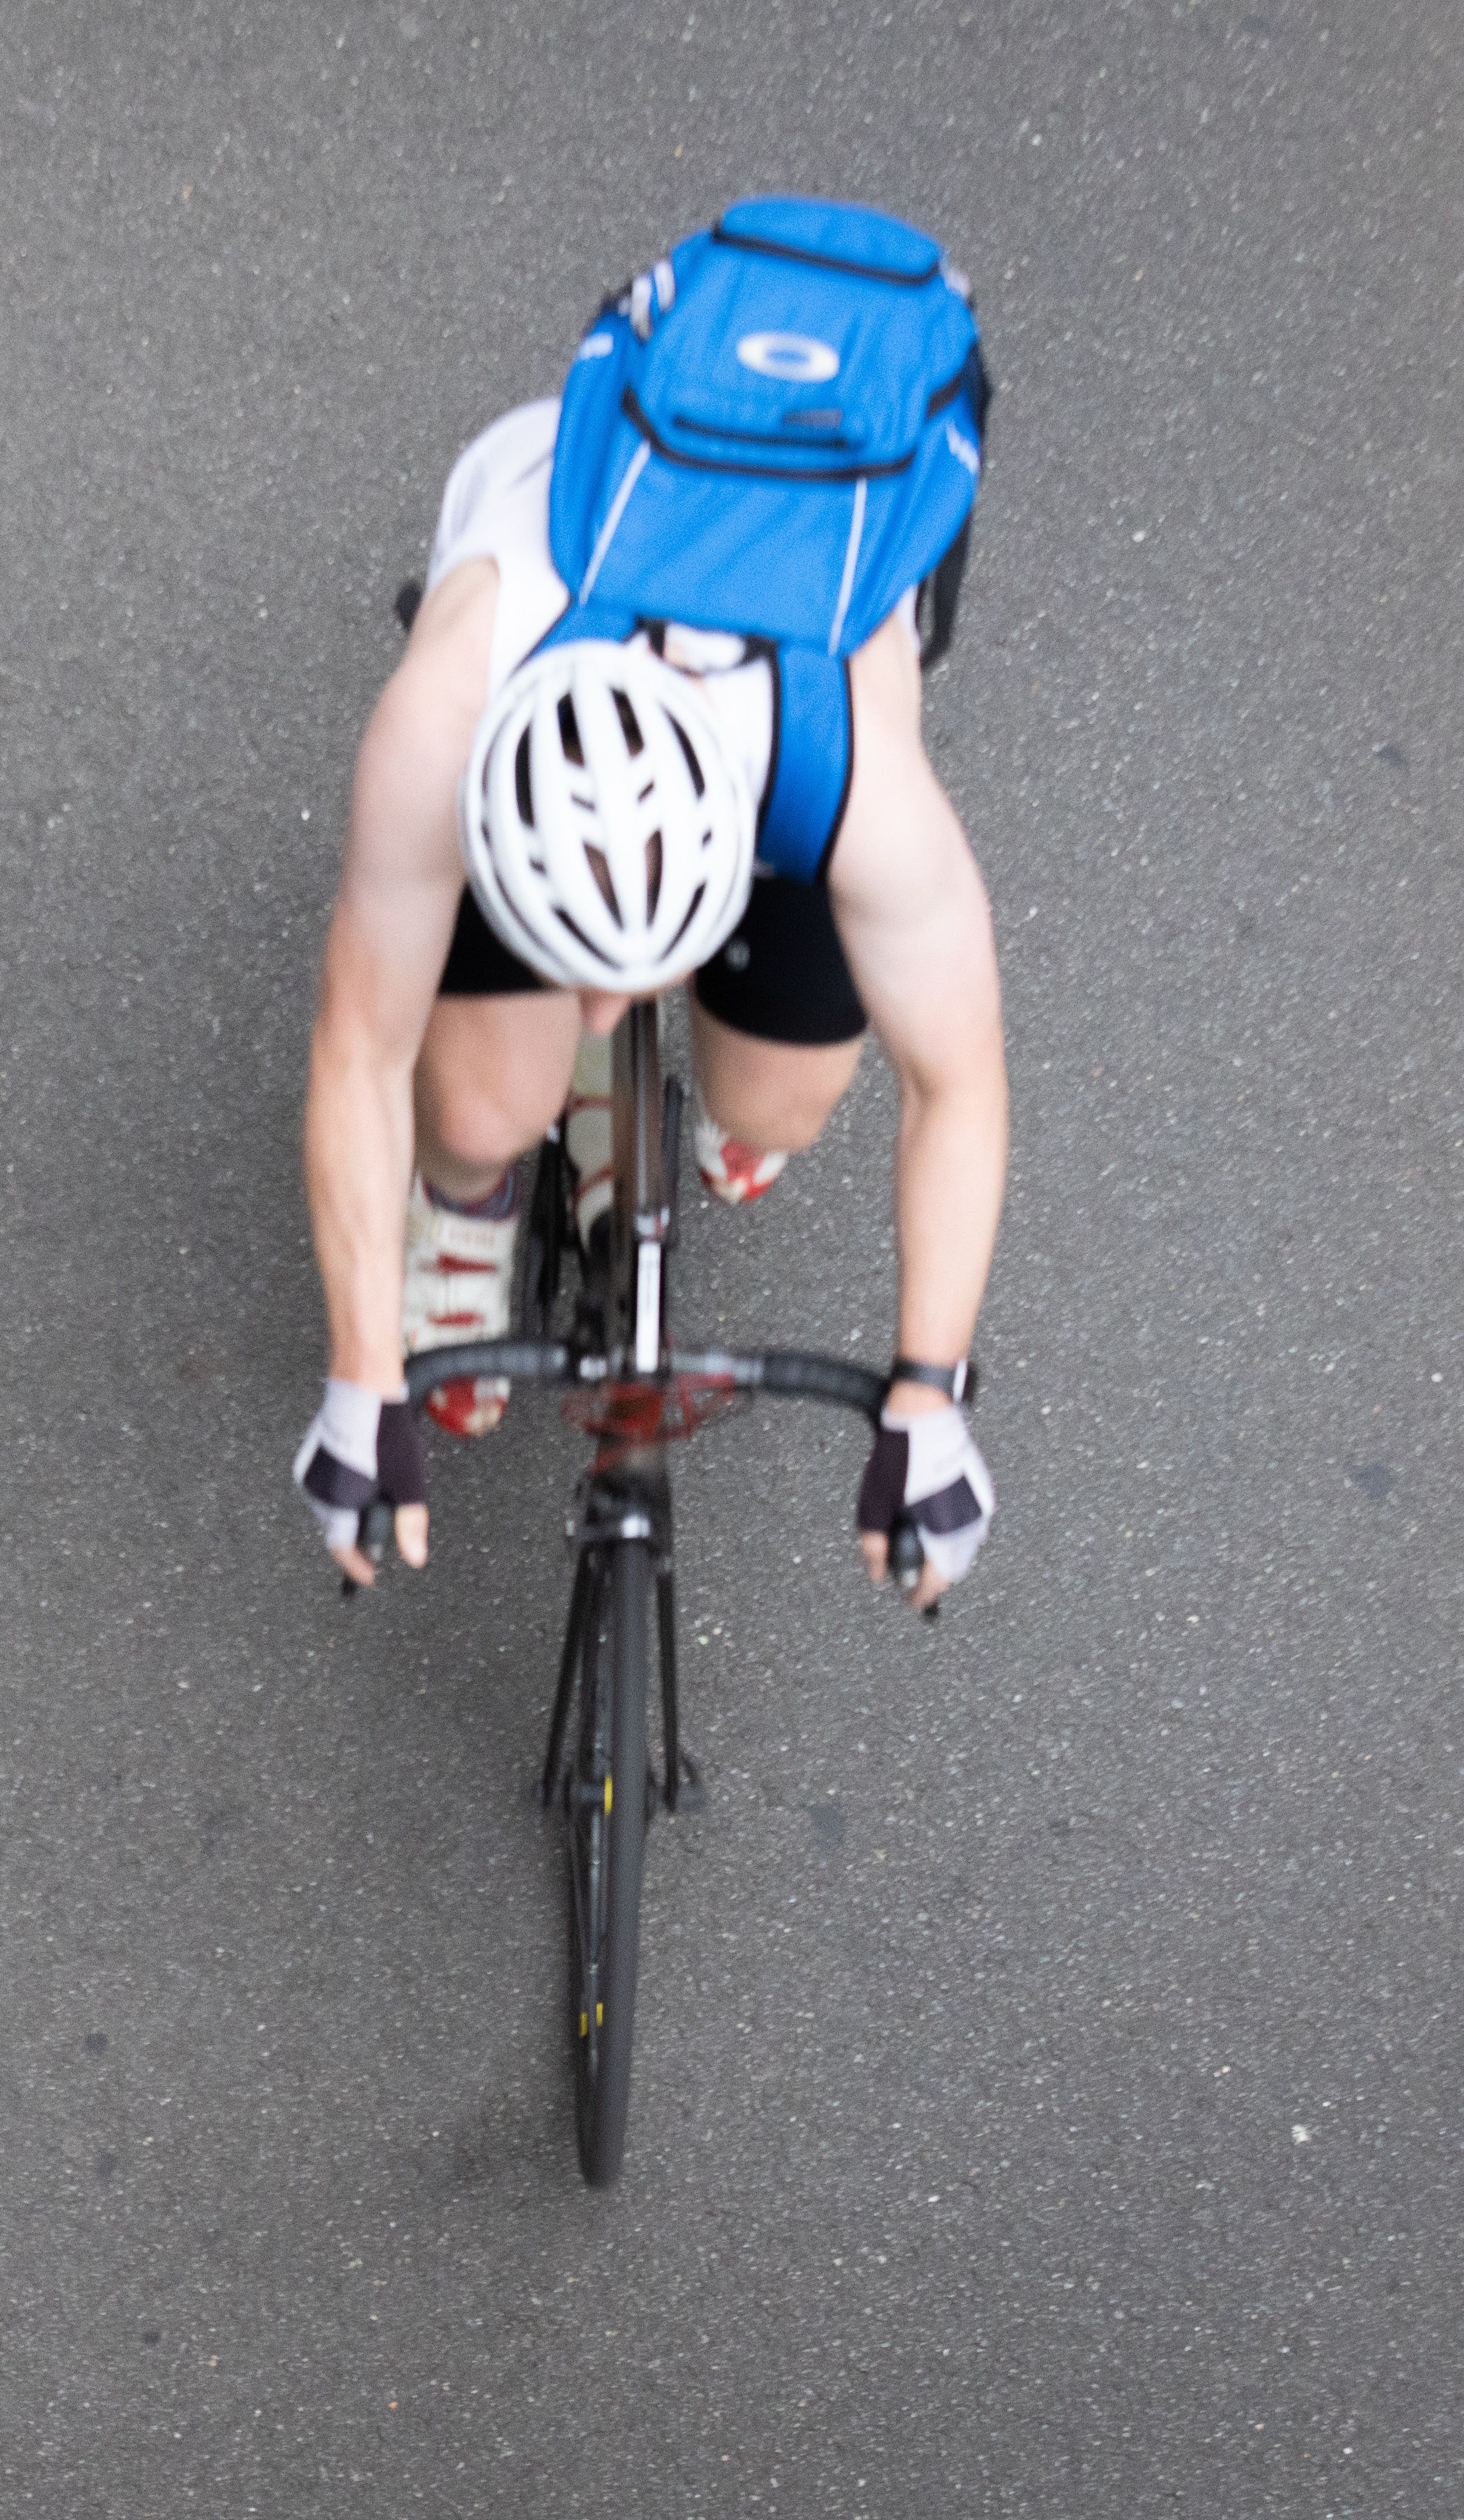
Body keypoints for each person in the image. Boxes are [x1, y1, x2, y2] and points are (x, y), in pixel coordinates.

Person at [293, 200, 1007, 1612]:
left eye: (632, 975)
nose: (605, 1019)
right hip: (549, 585)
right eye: (586, 972)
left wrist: (931, 1396)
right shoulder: (437, 733)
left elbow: (960, 1086)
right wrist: (357, 1374)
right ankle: (471, 1194)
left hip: (777, 718)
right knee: (478, 1104)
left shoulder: (853, 781)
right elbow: (352, 1052)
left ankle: (699, 1025)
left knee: (772, 1104)